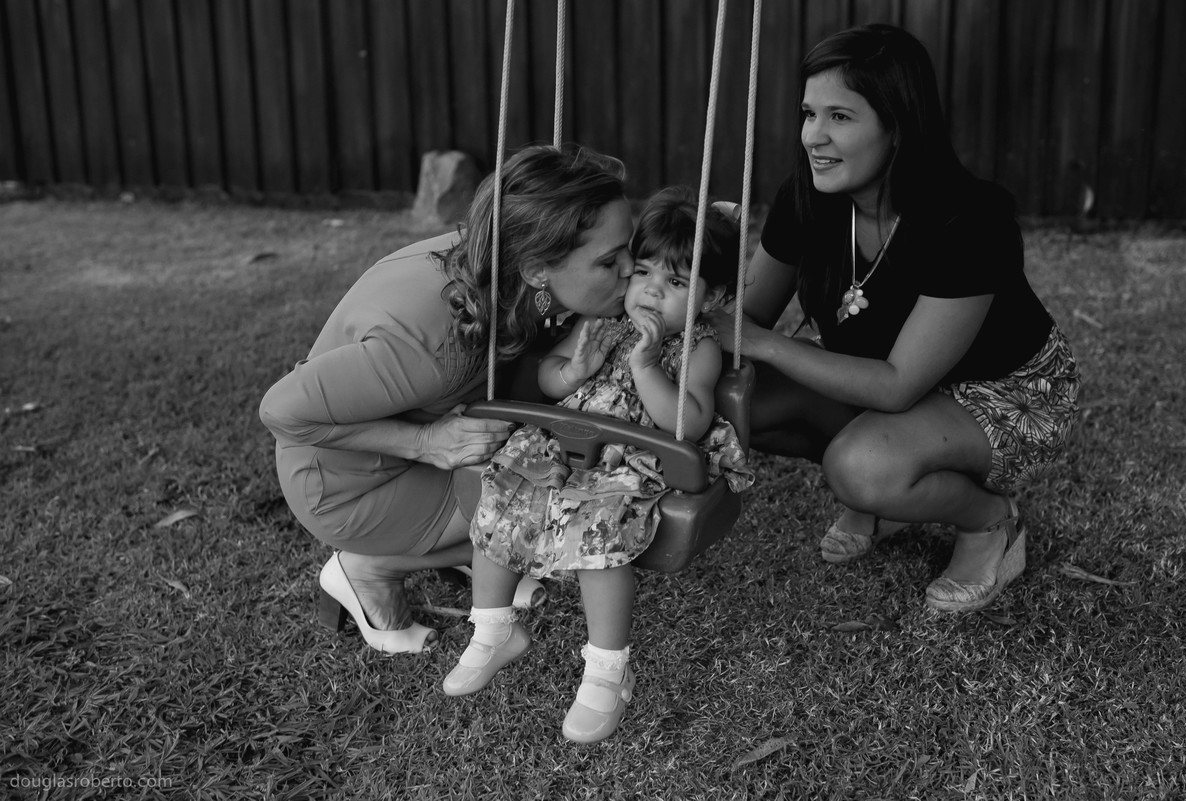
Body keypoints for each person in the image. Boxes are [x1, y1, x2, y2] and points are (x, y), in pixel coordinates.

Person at [706, 23, 1079, 613]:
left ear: (898, 125)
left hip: (1005, 391)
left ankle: (989, 522)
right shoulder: (808, 196)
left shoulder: (968, 222)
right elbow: (744, 316)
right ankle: (890, 486)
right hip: (882, 379)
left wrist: (767, 346)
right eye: (809, 113)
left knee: (862, 468)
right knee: (729, 400)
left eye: (841, 117)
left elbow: (899, 384)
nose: (813, 137)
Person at [259, 145, 637, 654]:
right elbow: (281, 410)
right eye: (610, 261)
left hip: (396, 447)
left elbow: (496, 375)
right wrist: (425, 442)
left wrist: (561, 373)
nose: (632, 269)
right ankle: (366, 568)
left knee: (531, 502)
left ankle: (463, 550)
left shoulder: (495, 259)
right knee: (544, 510)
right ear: (537, 269)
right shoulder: (432, 350)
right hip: (345, 483)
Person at [441, 187, 754, 743]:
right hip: (565, 441)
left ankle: (608, 671)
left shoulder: (697, 346)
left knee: (597, 533)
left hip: (633, 457)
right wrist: (572, 371)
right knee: (505, 488)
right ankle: (492, 629)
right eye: (644, 272)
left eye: (677, 283)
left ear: (714, 296)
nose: (652, 292)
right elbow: (550, 380)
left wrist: (646, 364)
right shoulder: (602, 320)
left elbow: (687, 422)